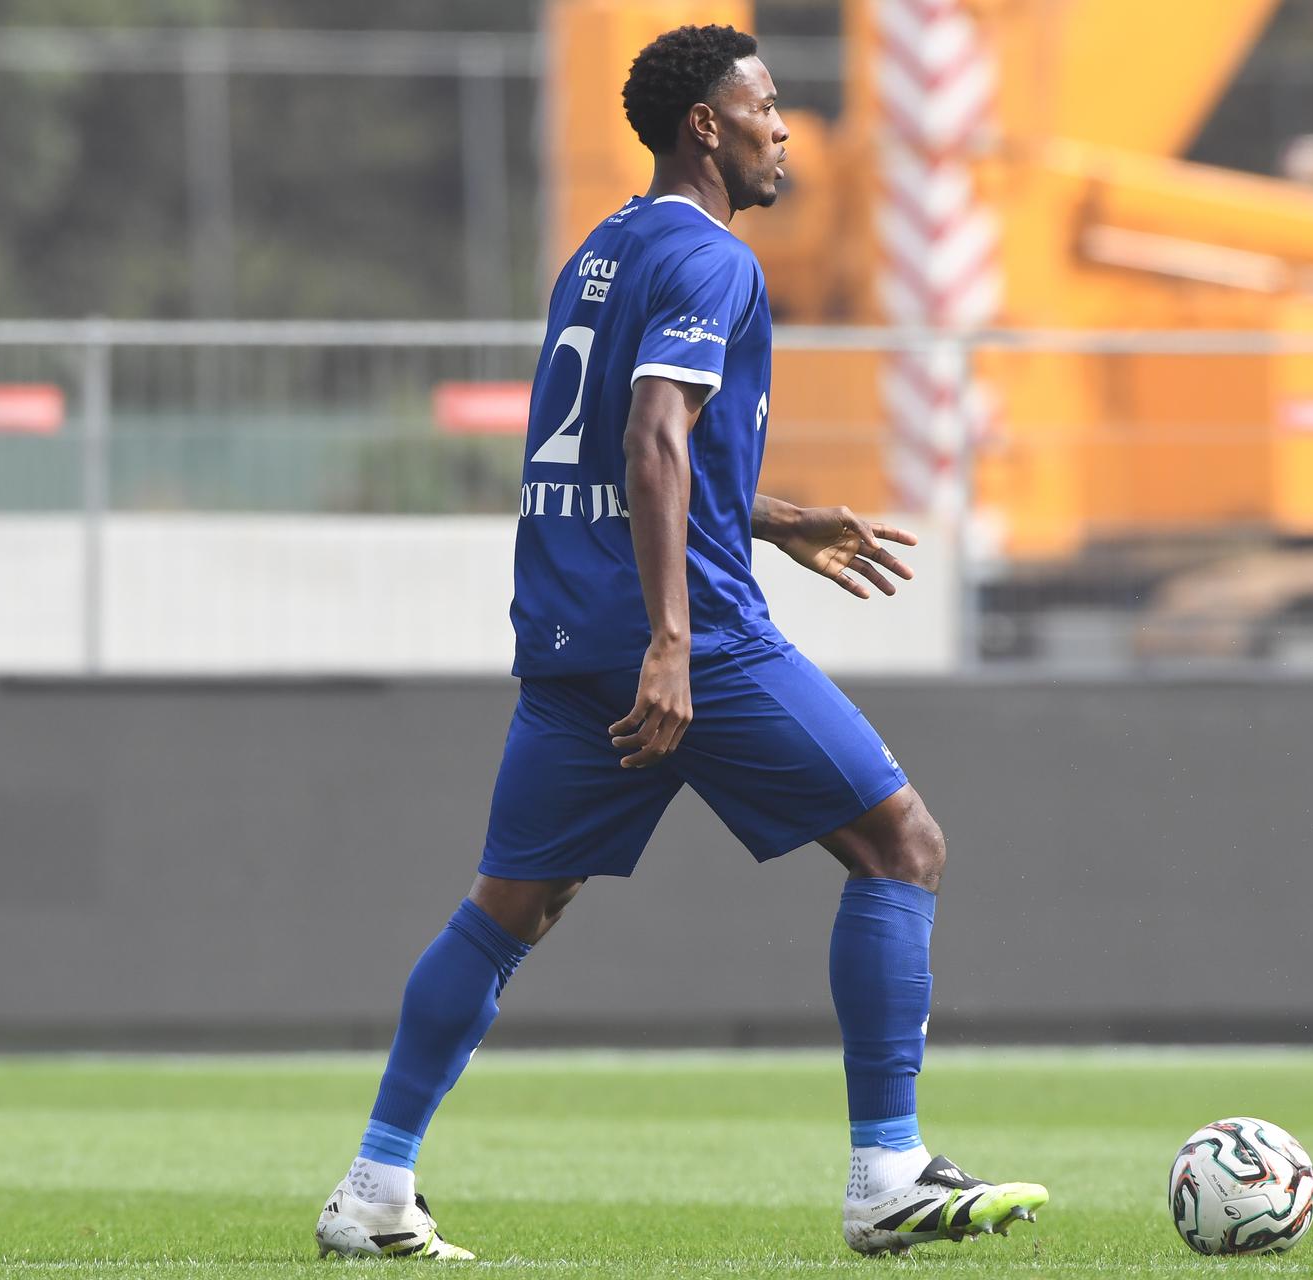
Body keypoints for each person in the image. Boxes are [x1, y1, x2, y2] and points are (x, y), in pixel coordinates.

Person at [316, 25, 1046, 1260]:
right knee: (899, 844)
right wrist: (672, 641)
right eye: (764, 104)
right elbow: (656, 437)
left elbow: (628, 449)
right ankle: (887, 1171)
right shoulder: (714, 262)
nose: (783, 125)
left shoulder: (600, 250)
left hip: (566, 630)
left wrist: (772, 513)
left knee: (509, 911)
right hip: (688, 639)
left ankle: (375, 1184)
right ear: (703, 125)